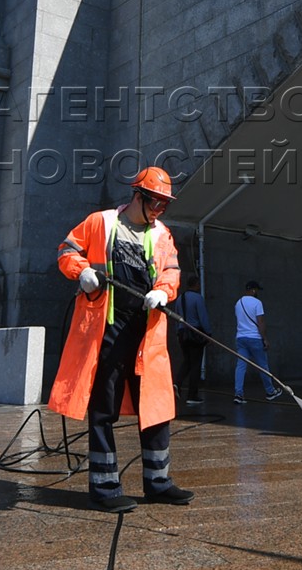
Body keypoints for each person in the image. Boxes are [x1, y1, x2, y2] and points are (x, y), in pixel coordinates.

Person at [48, 166, 195, 514]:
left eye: (164, 204)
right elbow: (66, 250)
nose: (159, 210)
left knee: (157, 408)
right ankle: (104, 487)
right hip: (108, 330)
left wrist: (162, 291)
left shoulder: (162, 234)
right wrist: (82, 271)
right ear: (138, 196)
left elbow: (172, 271)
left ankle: (159, 483)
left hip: (148, 333)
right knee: (103, 408)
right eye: (155, 202)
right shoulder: (100, 223)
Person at [233, 280, 280, 404]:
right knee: (262, 366)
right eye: (257, 290)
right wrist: (264, 338)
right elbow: (261, 322)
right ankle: (270, 392)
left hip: (241, 338)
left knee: (241, 367)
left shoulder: (238, 303)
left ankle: (238, 394)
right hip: (254, 338)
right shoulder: (257, 303)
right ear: (253, 290)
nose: (257, 292)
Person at [174, 276, 209, 407]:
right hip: (195, 333)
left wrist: (177, 333)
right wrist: (208, 333)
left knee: (187, 361)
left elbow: (177, 317)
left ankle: (177, 382)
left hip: (182, 333)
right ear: (195, 284)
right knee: (196, 364)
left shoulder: (179, 299)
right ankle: (192, 395)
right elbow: (203, 317)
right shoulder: (198, 298)